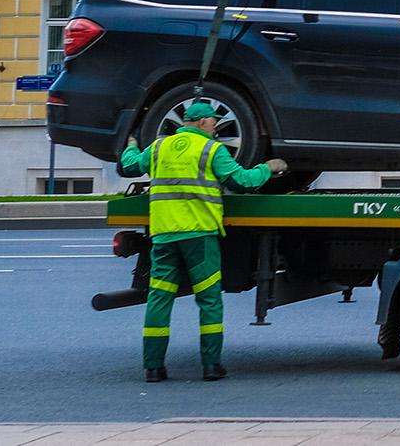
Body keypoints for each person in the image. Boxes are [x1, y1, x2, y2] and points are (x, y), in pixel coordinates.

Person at [119, 100, 287, 383]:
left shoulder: (160, 147)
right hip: (199, 236)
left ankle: (153, 368)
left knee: (159, 299)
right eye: (213, 122)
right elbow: (242, 181)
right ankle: (211, 366)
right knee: (209, 301)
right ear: (201, 123)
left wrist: (132, 144)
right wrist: (268, 168)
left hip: (164, 236)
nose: (216, 127)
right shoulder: (211, 150)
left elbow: (130, 165)